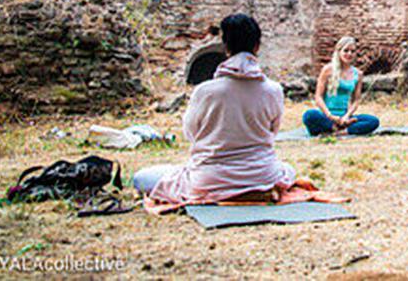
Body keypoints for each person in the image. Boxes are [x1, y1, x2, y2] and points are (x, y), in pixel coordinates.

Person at [133, 14, 296, 203]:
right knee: (288, 169)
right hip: (262, 177)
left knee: (141, 178)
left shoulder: (205, 91)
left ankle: (228, 191)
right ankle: (252, 191)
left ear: (226, 47)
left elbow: (191, 134)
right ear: (257, 46)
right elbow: (272, 132)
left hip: (209, 180)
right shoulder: (273, 90)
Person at [303, 37, 380, 136]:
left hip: (345, 117)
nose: (349, 54)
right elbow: (318, 97)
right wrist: (331, 117)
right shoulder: (328, 70)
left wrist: (346, 116)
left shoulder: (358, 74)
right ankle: (334, 127)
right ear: (339, 52)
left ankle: (342, 131)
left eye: (352, 51)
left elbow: (356, 100)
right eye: (346, 51)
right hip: (327, 116)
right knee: (309, 115)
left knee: (373, 121)